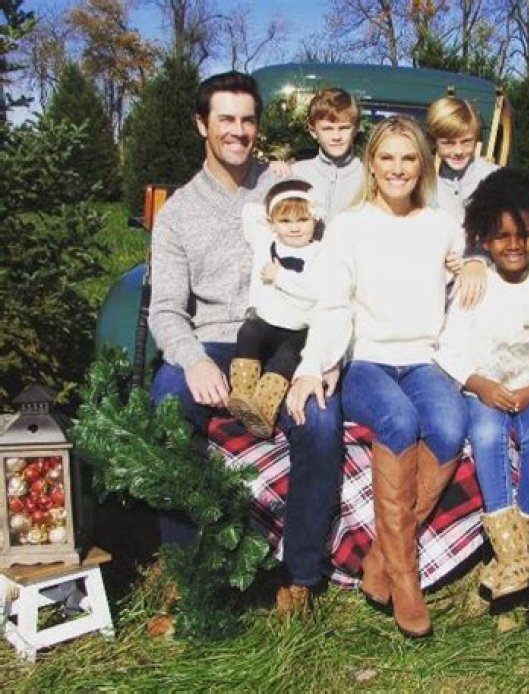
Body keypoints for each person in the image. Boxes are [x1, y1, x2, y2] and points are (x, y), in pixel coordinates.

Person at [148, 71, 344, 615]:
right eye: (226, 119)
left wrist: (326, 357)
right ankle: (188, 568)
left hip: (291, 335)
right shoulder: (178, 213)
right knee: (168, 400)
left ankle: (300, 574)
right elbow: (166, 309)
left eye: (248, 120)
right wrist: (192, 361)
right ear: (202, 125)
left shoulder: (287, 190)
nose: (238, 131)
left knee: (320, 420)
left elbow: (334, 276)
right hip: (214, 341)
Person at [286, 116, 486, 638]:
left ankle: (380, 559)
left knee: (449, 424)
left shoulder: (440, 223)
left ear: (423, 165)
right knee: (398, 420)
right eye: (387, 158)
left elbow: (475, 250)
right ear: (371, 164)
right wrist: (311, 366)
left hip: (423, 359)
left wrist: (475, 263)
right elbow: (333, 305)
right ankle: (406, 577)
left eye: (408, 158)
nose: (398, 168)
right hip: (367, 361)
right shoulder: (349, 226)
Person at [435, 168, 529, 600]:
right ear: (485, 239)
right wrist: (480, 385)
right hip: (484, 388)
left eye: (524, 235)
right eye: (501, 237)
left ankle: (523, 544)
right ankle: (510, 550)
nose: (514, 245)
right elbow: (449, 348)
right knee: (485, 433)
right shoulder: (475, 286)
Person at [228, 179, 323, 439]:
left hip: (299, 328)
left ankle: (263, 410)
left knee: (287, 358)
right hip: (266, 321)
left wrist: (280, 276)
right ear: (272, 223)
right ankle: (243, 396)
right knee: (248, 333)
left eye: (302, 220)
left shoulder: (320, 252)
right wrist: (278, 178)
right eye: (285, 221)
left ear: (315, 219)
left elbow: (315, 291)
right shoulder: (266, 241)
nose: (294, 228)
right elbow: (250, 211)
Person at [270, 87, 364, 221]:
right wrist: (272, 168)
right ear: (313, 131)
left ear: (355, 129)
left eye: (344, 128)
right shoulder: (296, 173)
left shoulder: (367, 176)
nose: (336, 137)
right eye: (327, 129)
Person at [425, 96, 499, 224]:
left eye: (466, 142)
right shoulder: (427, 184)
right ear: (433, 142)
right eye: (449, 143)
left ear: (476, 139)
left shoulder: (497, 179)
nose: (458, 151)